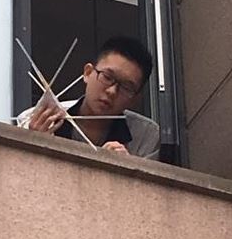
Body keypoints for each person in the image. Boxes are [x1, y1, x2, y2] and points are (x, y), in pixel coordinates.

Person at [17, 36, 161, 160]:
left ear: (135, 98)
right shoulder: (36, 119)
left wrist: (126, 168)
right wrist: (33, 145)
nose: (112, 91)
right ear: (87, 73)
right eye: (107, 77)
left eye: (126, 87)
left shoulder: (145, 134)